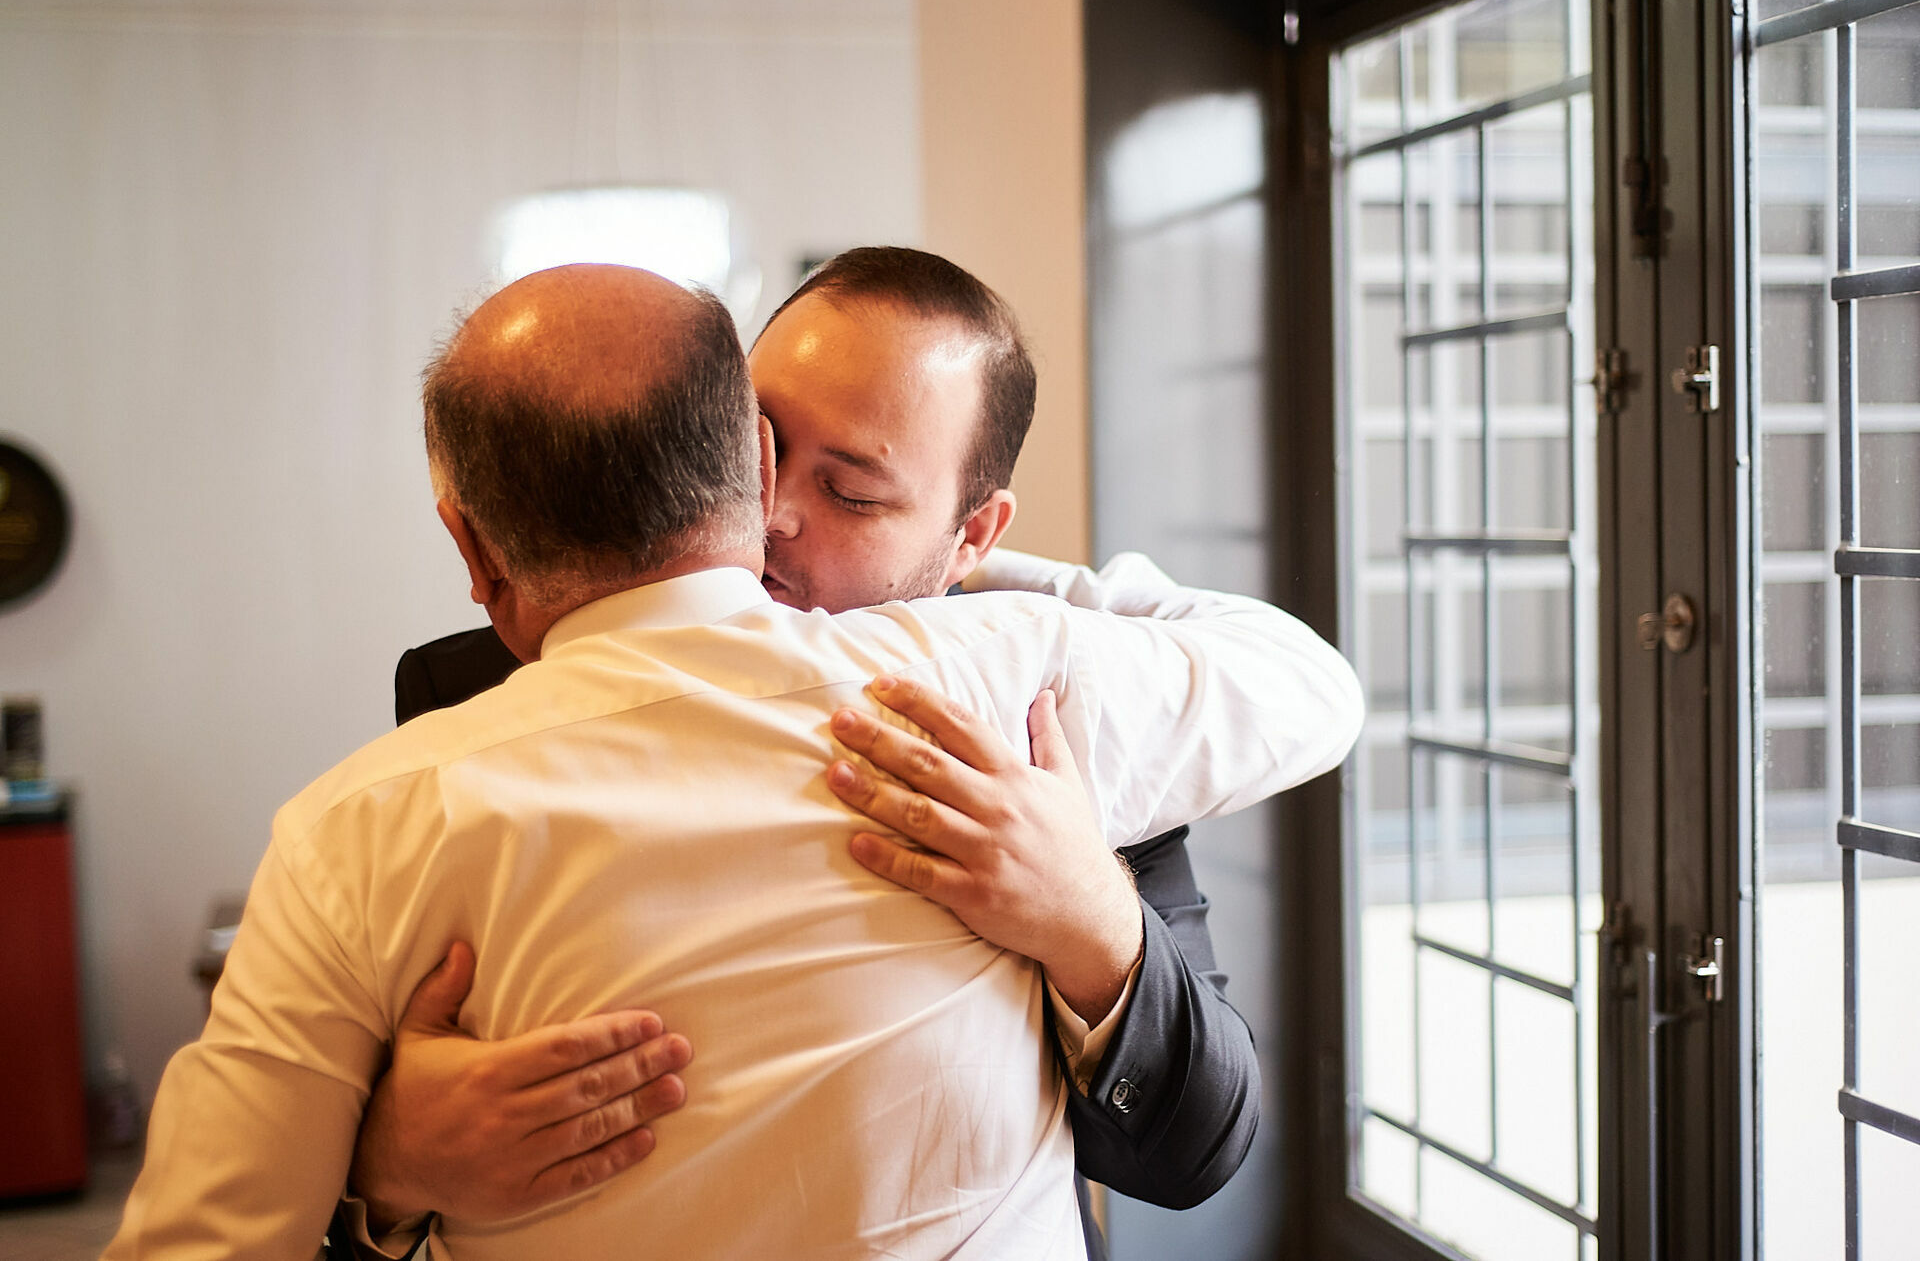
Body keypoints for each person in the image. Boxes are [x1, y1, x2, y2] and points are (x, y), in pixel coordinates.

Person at [106, 263, 1362, 1259]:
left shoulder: (1035, 713)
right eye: (760, 447)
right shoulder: (463, 695)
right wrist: (381, 1169)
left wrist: (1094, 922)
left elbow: (1197, 1149)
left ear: (972, 534)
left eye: (856, 492)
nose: (777, 517)